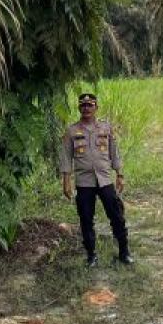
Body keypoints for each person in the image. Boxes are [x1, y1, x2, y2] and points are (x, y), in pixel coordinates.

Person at [58, 92, 132, 267]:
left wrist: (120, 174)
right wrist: (66, 181)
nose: (86, 108)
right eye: (83, 105)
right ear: (79, 108)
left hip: (105, 179)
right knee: (86, 219)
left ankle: (124, 252)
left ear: (96, 108)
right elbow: (66, 157)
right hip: (84, 182)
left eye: (90, 105)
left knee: (116, 216)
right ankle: (91, 256)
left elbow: (114, 152)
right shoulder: (72, 131)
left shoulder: (105, 128)